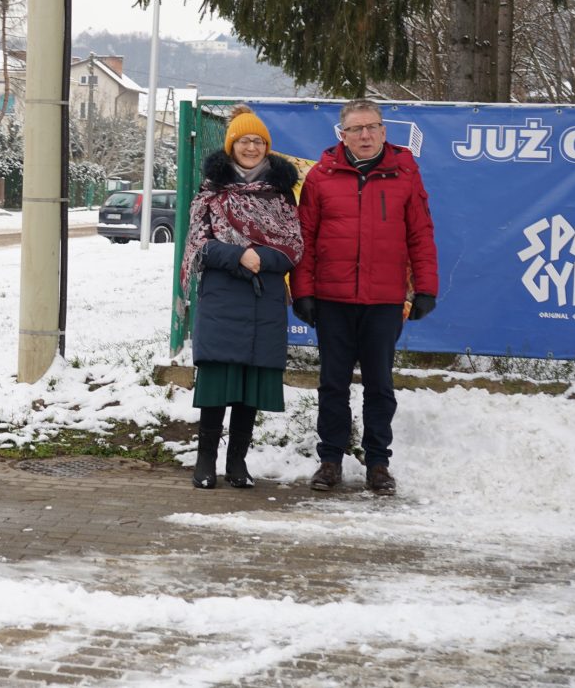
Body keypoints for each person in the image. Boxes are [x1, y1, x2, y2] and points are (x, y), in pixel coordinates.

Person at [291, 98, 438, 496]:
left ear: (384, 131)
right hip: (332, 299)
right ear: (343, 135)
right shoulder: (321, 177)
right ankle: (330, 460)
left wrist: (425, 287)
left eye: (372, 127)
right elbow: (305, 238)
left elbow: (420, 234)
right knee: (332, 384)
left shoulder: (405, 173)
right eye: (356, 129)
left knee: (379, 386)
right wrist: (302, 291)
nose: (365, 135)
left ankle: (378, 463)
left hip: (384, 300)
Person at [179, 106, 303, 490]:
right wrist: (238, 256)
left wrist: (263, 258)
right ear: (231, 145)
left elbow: (294, 246)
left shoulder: (281, 194)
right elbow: (198, 245)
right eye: (244, 141)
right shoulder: (211, 192)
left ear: (267, 146)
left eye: (258, 141)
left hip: (264, 299)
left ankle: (237, 463)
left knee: (250, 385)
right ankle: (205, 461)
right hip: (223, 297)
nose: (251, 147)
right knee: (218, 383)